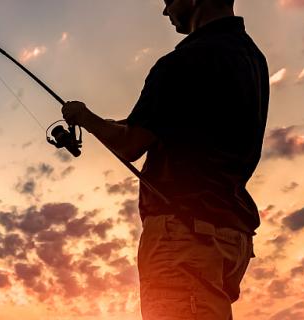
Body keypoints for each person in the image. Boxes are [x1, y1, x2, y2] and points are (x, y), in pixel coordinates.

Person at [61, 0, 268, 319]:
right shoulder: (250, 57)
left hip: (184, 235)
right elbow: (169, 127)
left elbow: (131, 144)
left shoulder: (184, 60)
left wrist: (84, 116)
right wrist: (112, 125)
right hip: (229, 236)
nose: (165, 10)